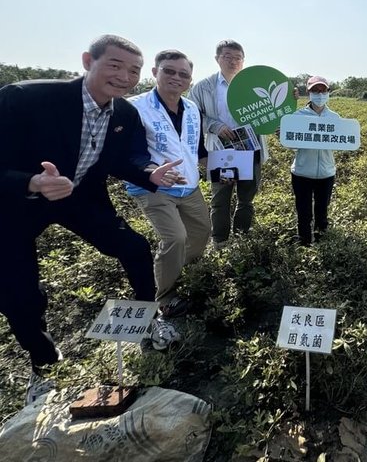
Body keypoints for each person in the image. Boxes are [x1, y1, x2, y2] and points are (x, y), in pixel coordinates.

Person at [0, 35, 183, 405]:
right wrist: (31, 182)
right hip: (15, 205)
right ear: (88, 61)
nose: (124, 77)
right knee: (19, 294)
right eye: (114, 65)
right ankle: (44, 365)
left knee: (134, 247)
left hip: (80, 198)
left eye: (132, 70)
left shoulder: (124, 114)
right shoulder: (24, 98)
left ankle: (148, 321)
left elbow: (117, 162)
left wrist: (149, 175)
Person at [127, 50, 211, 318]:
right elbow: (127, 152)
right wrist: (150, 170)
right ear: (155, 72)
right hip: (153, 187)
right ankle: (165, 297)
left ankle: (189, 277)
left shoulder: (192, 109)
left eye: (183, 74)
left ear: (190, 80)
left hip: (189, 185)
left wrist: (213, 166)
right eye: (169, 71)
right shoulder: (133, 107)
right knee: (175, 237)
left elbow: (196, 147)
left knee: (201, 232)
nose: (177, 78)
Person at [188, 40, 269, 247]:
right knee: (221, 198)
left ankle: (241, 239)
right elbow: (191, 115)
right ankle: (220, 241)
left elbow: (272, 109)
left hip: (251, 149)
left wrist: (289, 96)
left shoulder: (254, 86)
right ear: (217, 59)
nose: (233, 61)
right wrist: (214, 125)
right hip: (223, 152)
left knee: (246, 198)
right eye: (227, 57)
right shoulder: (203, 87)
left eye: (238, 58)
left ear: (243, 61)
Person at [289, 76, 339, 245]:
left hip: (326, 172)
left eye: (323, 90)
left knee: (322, 210)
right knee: (303, 211)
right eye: (315, 90)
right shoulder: (297, 116)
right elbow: (289, 142)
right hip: (302, 172)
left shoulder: (335, 118)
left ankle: (321, 242)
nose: (319, 94)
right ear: (308, 93)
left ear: (328, 92)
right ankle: (304, 242)